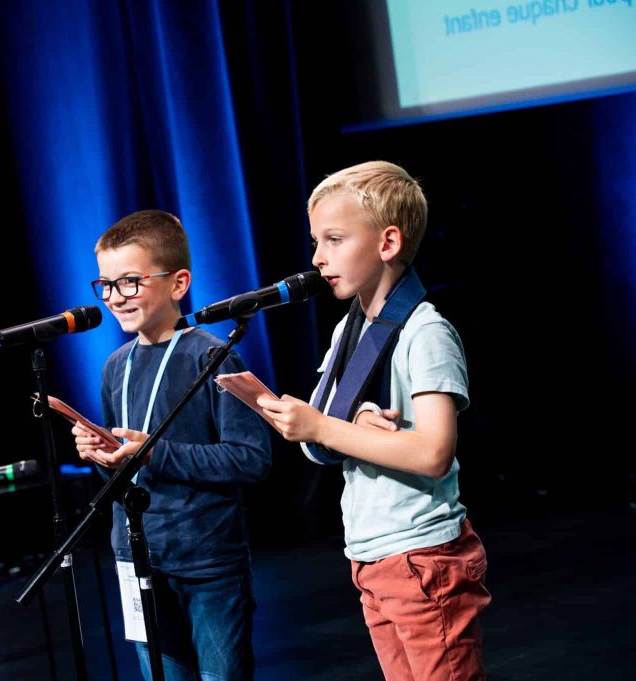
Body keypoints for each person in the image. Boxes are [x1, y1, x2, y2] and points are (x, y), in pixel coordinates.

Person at [258, 162, 491, 681]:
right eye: (316, 240)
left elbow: (433, 453)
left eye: (335, 239)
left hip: (421, 554)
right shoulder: (350, 328)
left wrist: (326, 428)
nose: (318, 257)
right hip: (374, 555)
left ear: (388, 242)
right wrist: (339, 425)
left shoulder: (425, 332)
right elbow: (326, 433)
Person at [72, 210, 272, 681]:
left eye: (130, 282)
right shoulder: (114, 367)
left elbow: (251, 458)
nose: (115, 298)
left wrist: (152, 453)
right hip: (135, 556)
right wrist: (103, 455)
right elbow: (127, 469)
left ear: (178, 282)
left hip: (206, 561)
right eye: (105, 285)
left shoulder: (213, 355)